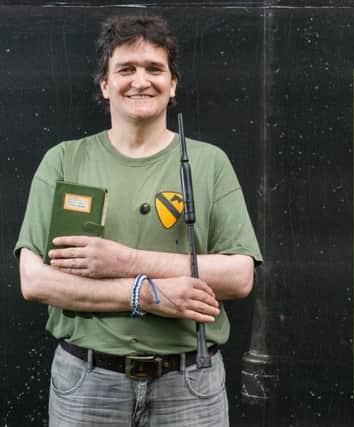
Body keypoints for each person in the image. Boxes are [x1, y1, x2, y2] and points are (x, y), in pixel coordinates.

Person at [14, 14, 262, 426]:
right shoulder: (64, 160)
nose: (141, 80)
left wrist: (124, 260)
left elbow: (239, 276)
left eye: (154, 69)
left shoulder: (208, 162)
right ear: (105, 84)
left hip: (189, 387)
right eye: (125, 69)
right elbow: (34, 281)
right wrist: (143, 295)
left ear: (173, 83)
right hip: (87, 387)